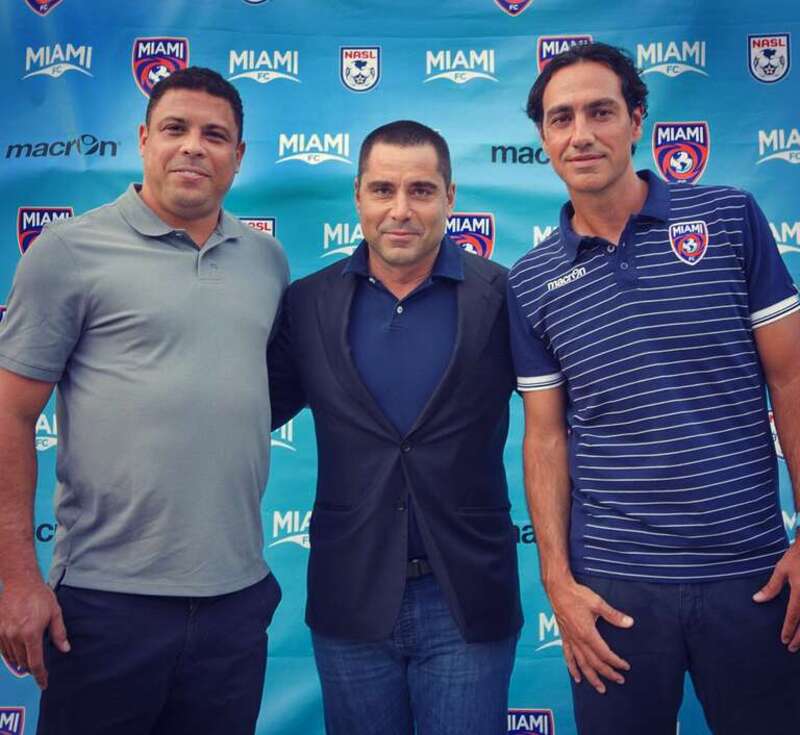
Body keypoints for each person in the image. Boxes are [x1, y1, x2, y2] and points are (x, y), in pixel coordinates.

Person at [508, 41, 800, 734]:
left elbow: (791, 380)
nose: (581, 134)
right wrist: (557, 579)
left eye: (601, 111)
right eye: (560, 119)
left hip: (753, 575)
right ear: (544, 137)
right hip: (614, 591)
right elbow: (545, 435)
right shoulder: (529, 280)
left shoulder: (730, 220)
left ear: (638, 120)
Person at [0, 67, 287, 734]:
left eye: (215, 134)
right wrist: (17, 579)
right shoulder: (68, 252)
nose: (193, 146)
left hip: (234, 604)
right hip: (103, 606)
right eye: (175, 129)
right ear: (142, 140)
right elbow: (12, 415)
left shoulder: (266, 260)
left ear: (238, 156)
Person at [268, 120, 522, 735]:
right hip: (349, 598)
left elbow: (567, 420)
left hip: (466, 599)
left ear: (450, 197)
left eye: (421, 191)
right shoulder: (308, 303)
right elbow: (245, 415)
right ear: (358, 196)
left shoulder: (501, 295)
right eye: (383, 190)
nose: (401, 210)